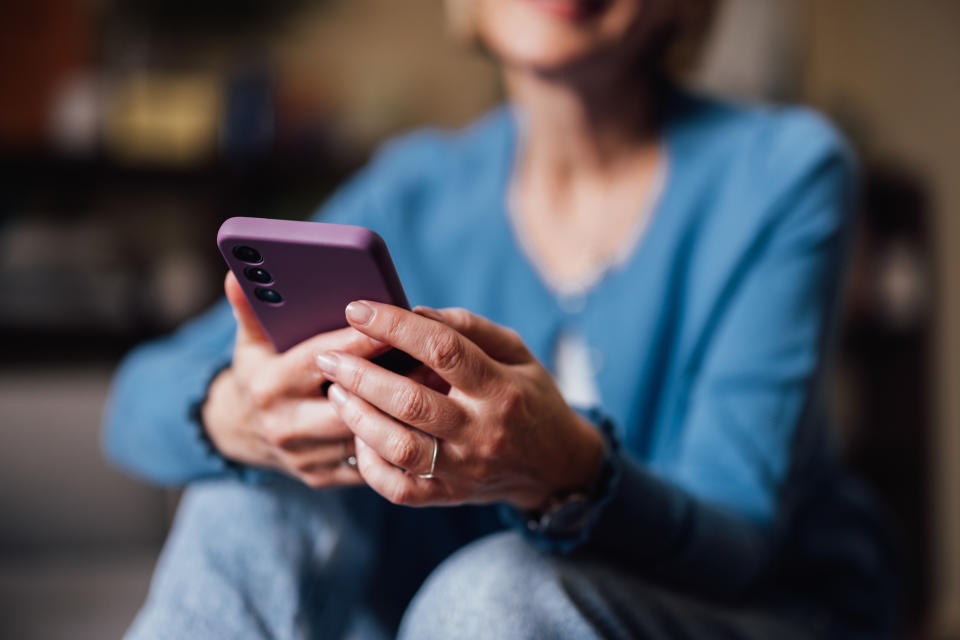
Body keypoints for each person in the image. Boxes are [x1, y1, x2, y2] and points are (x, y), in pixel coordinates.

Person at [103, 0, 898, 637]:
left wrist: (568, 469)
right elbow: (135, 400)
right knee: (250, 490)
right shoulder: (414, 190)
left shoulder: (784, 173)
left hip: (732, 606)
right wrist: (237, 415)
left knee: (496, 596)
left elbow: (738, 542)